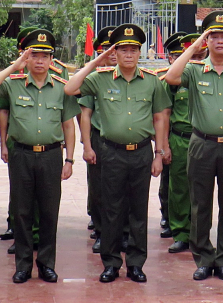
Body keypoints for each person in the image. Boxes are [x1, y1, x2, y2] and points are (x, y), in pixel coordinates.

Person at [66, 23, 171, 284]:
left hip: (141, 153)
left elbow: (159, 119)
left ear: (139, 53)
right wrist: (97, 60)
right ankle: (111, 263)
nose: (128, 54)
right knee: (111, 210)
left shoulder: (152, 82)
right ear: (115, 52)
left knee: (138, 210)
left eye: (133, 49)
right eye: (122, 49)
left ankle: (136, 263)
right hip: (110, 152)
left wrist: (159, 153)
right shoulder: (99, 79)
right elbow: (70, 88)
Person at [163, 11, 223, 282]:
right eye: (213, 36)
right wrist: (194, 47)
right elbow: (171, 77)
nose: (219, 41)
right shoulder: (194, 70)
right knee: (200, 205)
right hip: (201, 145)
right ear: (206, 40)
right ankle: (203, 258)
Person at [0, 29, 79, 284]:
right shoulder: (12, 83)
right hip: (21, 154)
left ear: (51, 60)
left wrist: (69, 159)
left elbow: (69, 125)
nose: (39, 60)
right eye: (34, 55)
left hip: (50, 155)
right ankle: (23, 265)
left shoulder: (61, 87)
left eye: (45, 56)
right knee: (22, 212)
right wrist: (3, 145)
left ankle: (46, 263)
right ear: (26, 57)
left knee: (49, 212)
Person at [162, 33, 207, 255]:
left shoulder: (211, 75)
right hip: (180, 139)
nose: (198, 58)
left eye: (202, 54)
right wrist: (164, 146)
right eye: (193, 54)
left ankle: (199, 234)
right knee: (178, 189)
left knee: (201, 190)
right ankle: (180, 233)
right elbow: (164, 113)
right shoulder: (176, 79)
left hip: (204, 139)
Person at [78, 26, 116, 254]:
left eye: (116, 48)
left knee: (123, 190)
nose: (111, 53)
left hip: (124, 142)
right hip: (99, 138)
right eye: (106, 49)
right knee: (100, 188)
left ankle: (122, 233)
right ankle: (102, 231)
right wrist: (87, 144)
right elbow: (85, 113)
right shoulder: (93, 79)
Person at [155, 31, 185, 239]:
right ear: (169, 58)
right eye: (175, 56)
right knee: (168, 181)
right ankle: (168, 216)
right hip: (172, 135)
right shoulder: (164, 78)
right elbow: (161, 114)